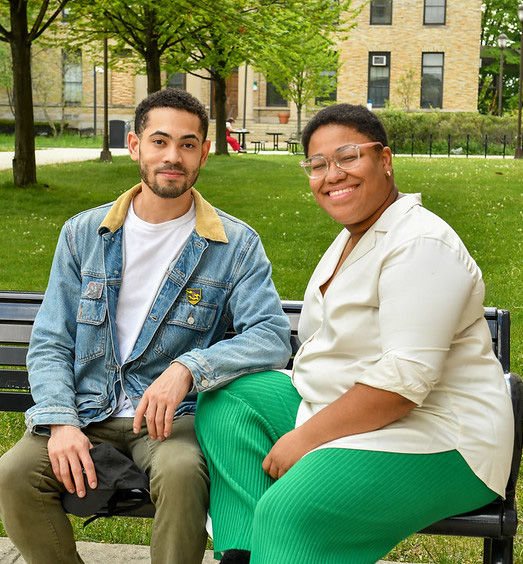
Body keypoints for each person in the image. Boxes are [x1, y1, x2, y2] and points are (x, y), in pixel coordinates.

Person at [194, 103, 514, 564]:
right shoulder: (355, 235)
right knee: (230, 399)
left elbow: (403, 384)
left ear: (384, 160)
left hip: (444, 438)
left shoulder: (420, 243)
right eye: (318, 165)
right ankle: (247, 553)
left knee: (292, 511)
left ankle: (283, 538)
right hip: (350, 412)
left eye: (348, 157)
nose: (332, 175)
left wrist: (303, 440)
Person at [0, 88, 291, 564]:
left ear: (204, 153)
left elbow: (271, 335)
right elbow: (52, 341)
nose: (173, 156)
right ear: (135, 145)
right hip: (88, 410)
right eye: (160, 141)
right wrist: (60, 421)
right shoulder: (83, 235)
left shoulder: (234, 243)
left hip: (171, 423)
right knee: (13, 473)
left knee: (181, 471)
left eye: (188, 144)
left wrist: (189, 369)